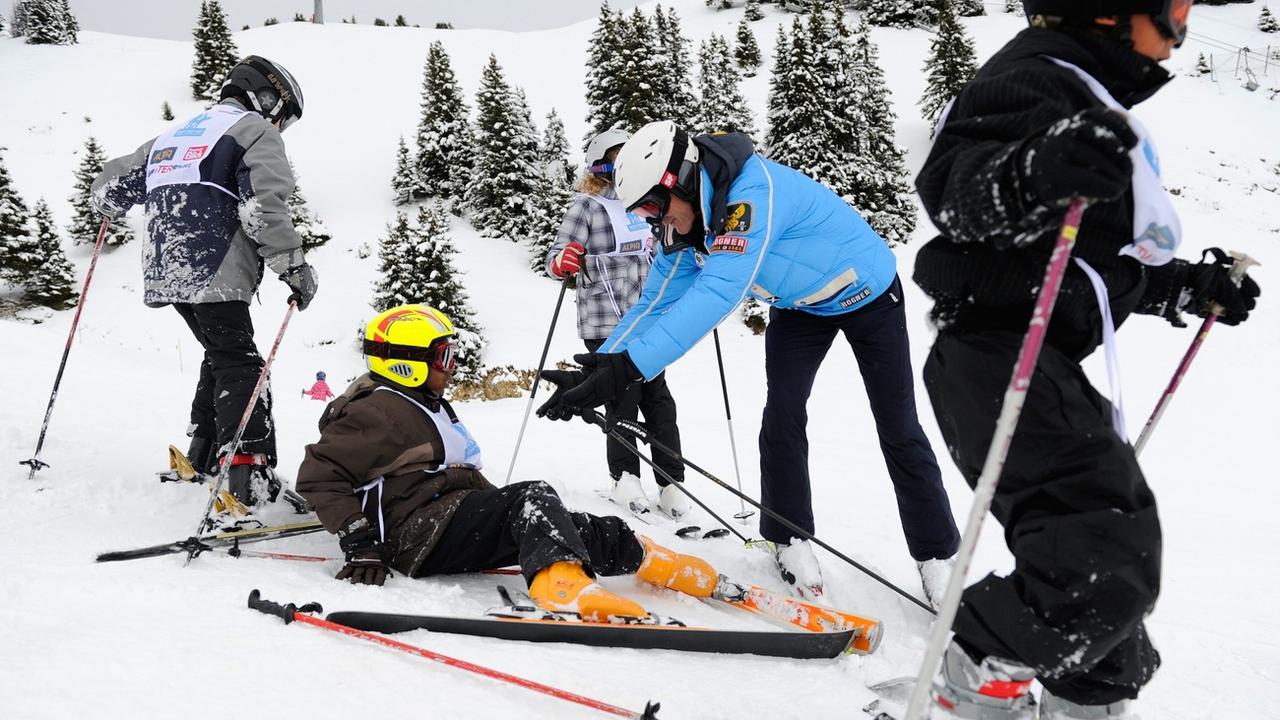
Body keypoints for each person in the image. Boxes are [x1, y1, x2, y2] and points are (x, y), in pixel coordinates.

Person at [912, 2, 1260, 717]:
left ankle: (1085, 704)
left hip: (1031, 359)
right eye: (1175, 9)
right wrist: (1034, 173)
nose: (1179, 29)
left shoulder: (1085, 96)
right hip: (994, 358)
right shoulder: (1035, 78)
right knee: (1103, 561)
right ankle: (972, 683)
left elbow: (1088, 263)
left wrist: (1186, 287)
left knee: (1102, 596)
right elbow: (955, 188)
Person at [537, 121, 961, 603]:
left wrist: (629, 368)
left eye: (656, 208)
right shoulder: (685, 224)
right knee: (781, 413)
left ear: (678, 179)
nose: (658, 223)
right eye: (646, 214)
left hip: (867, 293)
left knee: (897, 426)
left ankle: (937, 554)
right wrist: (602, 366)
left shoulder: (751, 193)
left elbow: (719, 291)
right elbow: (653, 300)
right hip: (800, 307)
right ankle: (788, 537)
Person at [295, 304, 720, 621]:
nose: (453, 366)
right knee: (532, 499)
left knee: (561, 521)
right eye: (444, 356)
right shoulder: (376, 412)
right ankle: (563, 589)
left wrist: (502, 509)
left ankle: (656, 561)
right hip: (417, 535)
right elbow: (318, 475)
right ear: (406, 362)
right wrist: (359, 543)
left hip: (445, 519)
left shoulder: (419, 402)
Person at [91, 56, 318, 507]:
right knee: (242, 363)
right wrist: (294, 268)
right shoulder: (255, 131)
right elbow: (263, 208)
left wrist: (109, 206)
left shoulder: (175, 134)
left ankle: (204, 449)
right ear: (266, 96)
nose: (279, 123)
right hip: (215, 262)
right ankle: (246, 471)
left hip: (166, 267)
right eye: (282, 113)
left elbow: (110, 185)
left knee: (221, 352)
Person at [544, 123, 690, 521]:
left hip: (644, 318)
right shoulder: (587, 206)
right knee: (621, 397)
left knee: (659, 400)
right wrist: (564, 261)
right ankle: (625, 477)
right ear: (600, 165)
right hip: (604, 319)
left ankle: (670, 480)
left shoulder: (645, 202)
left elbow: (664, 247)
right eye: (615, 158)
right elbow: (556, 256)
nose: (623, 164)